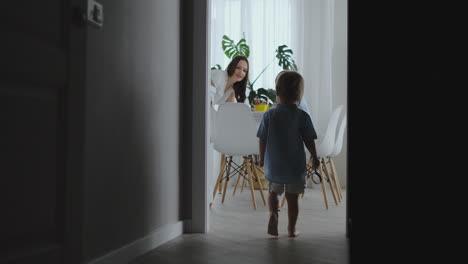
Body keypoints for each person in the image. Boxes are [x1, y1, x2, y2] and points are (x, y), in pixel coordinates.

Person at [256, 70, 320, 237]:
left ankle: (273, 215)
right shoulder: (302, 116)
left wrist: (262, 158)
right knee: (292, 199)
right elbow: (309, 139)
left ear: (277, 91)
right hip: (294, 166)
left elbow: (262, 138)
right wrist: (314, 156)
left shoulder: (269, 114)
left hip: (274, 164)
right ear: (299, 94)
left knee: (273, 192)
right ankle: (291, 229)